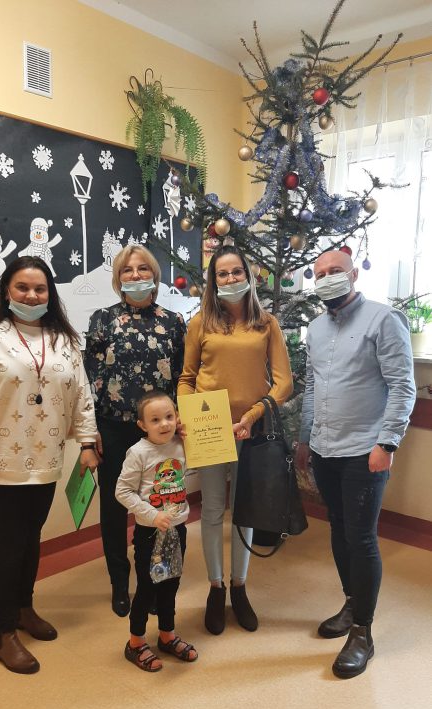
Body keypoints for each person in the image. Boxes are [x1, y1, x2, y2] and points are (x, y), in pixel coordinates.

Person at [295, 249, 416, 679]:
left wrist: (388, 442)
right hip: (325, 448)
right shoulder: (315, 327)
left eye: (335, 271)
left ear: (353, 275)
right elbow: (312, 386)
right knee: (339, 529)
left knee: (361, 538)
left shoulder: (384, 319)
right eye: (320, 273)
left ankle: (363, 631)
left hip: (366, 450)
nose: (327, 278)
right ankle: (351, 603)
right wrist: (305, 437)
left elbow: (402, 385)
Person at [0, 256, 98, 675]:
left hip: (47, 457)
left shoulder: (63, 338)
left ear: (50, 293)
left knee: (31, 538)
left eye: (40, 289)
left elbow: (81, 392)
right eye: (22, 287)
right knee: (9, 544)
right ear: (6, 290)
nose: (31, 296)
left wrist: (88, 442)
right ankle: (3, 634)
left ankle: (24, 609)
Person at [178, 245, 293, 635]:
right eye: (222, 274)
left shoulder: (267, 323)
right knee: (212, 510)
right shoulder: (201, 323)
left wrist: (253, 415)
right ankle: (216, 588)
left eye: (236, 272)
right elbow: (187, 378)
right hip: (210, 429)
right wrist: (189, 415)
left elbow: (283, 384)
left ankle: (240, 588)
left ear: (249, 276)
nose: (230, 279)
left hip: (252, 428)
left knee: (244, 510)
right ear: (213, 281)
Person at [84, 245, 186, 617]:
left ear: (154, 275)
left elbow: (182, 377)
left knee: (160, 503)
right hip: (113, 427)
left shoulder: (173, 322)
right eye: (127, 270)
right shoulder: (103, 320)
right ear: (118, 278)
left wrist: (180, 419)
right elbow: (89, 379)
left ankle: (155, 578)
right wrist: (90, 433)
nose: (136, 275)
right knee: (115, 507)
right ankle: (118, 581)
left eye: (143, 268)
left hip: (160, 432)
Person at [115, 390, 197, 672]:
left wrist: (191, 435)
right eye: (155, 419)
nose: (164, 424)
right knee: (148, 588)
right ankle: (136, 642)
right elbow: (122, 491)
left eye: (169, 416)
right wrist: (152, 515)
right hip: (149, 534)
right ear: (142, 425)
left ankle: (167, 635)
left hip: (177, 530)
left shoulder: (181, 444)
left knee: (171, 584)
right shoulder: (138, 452)